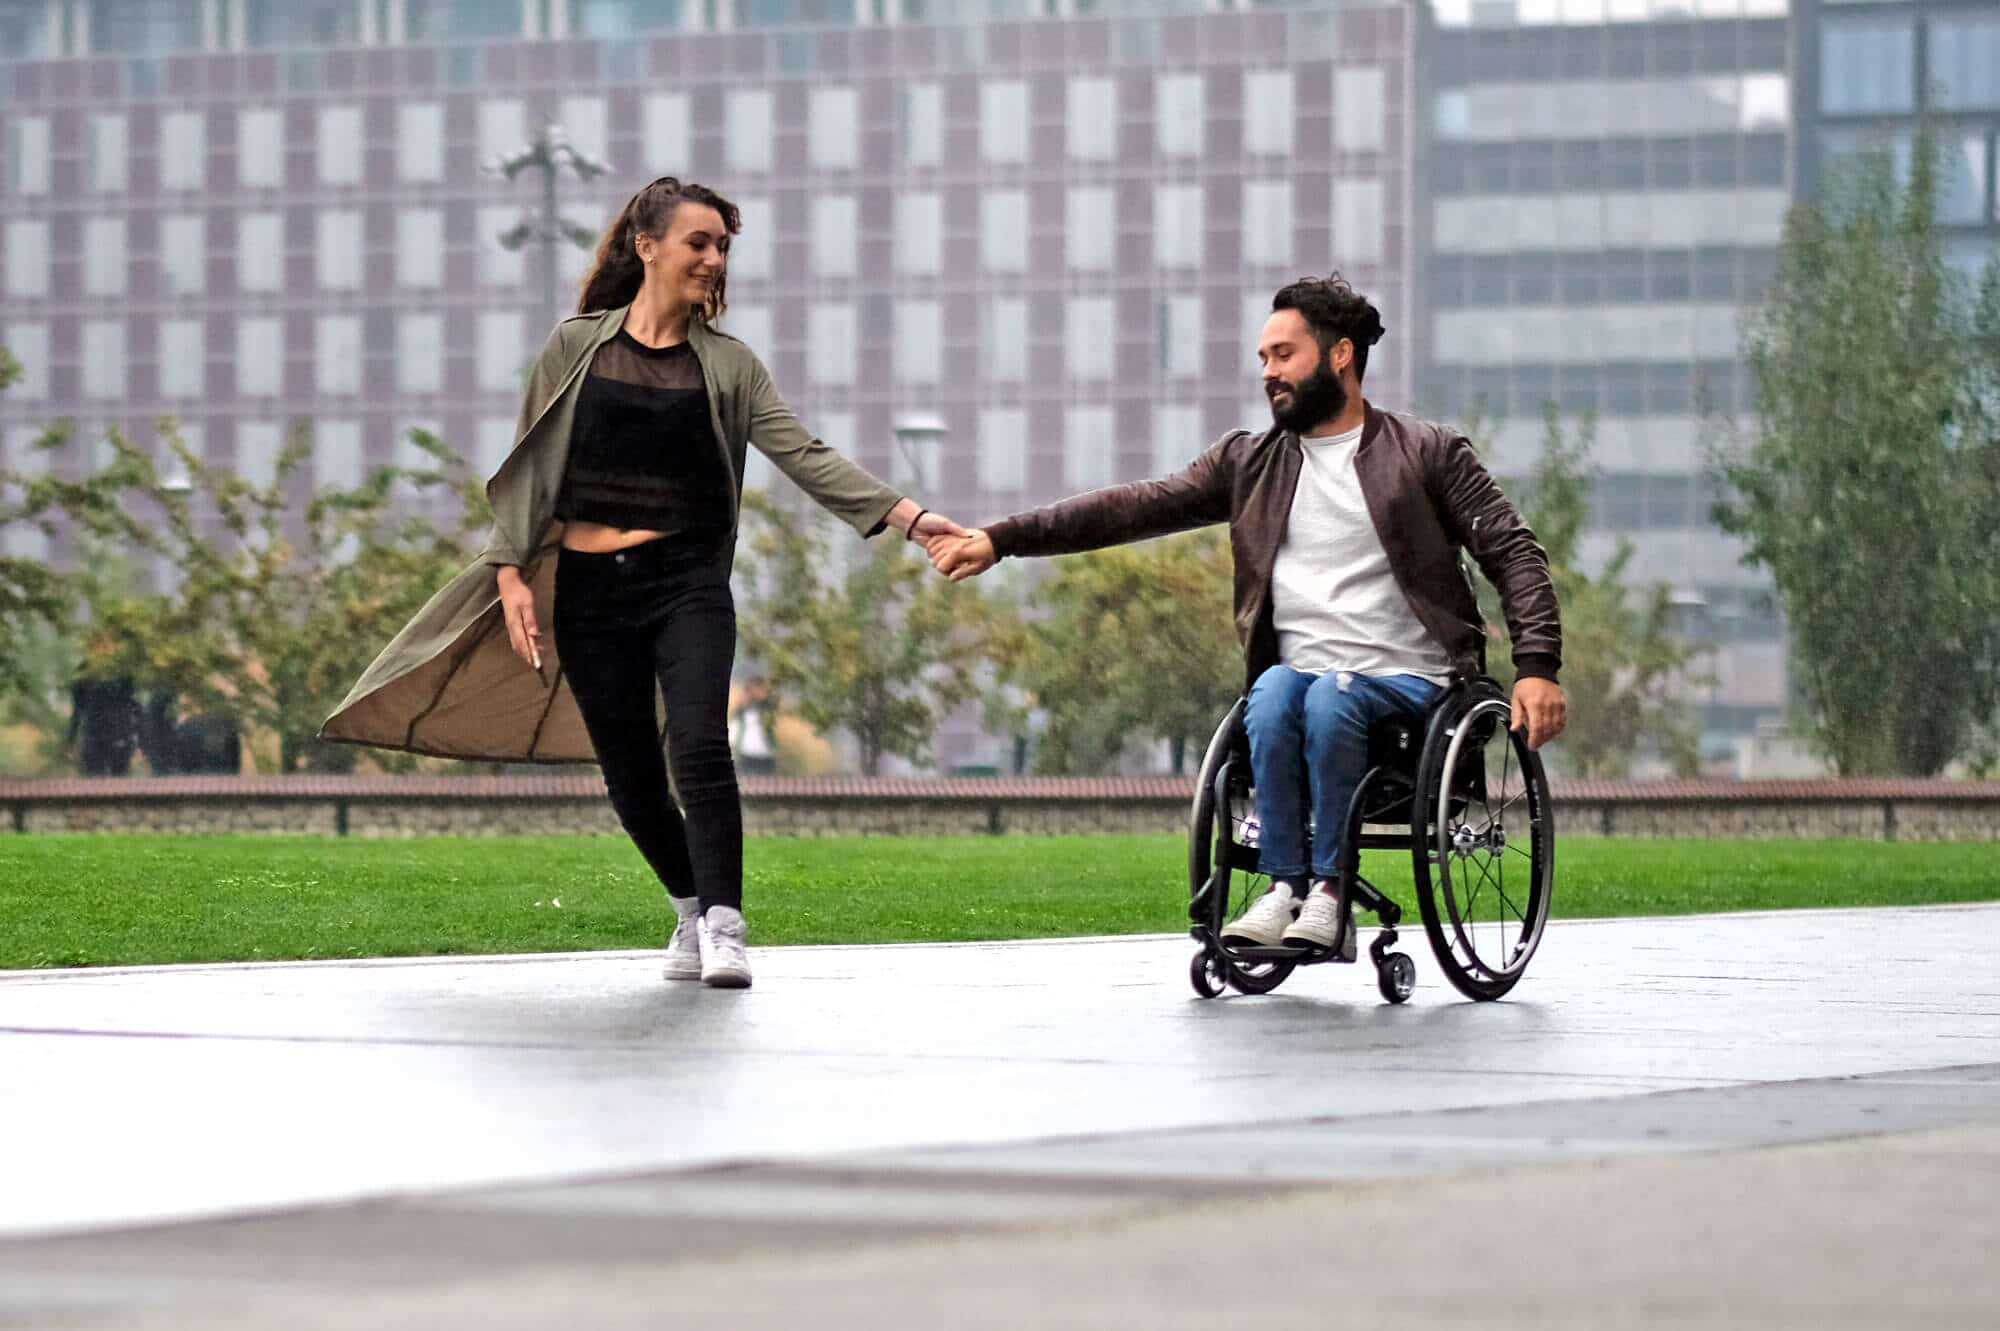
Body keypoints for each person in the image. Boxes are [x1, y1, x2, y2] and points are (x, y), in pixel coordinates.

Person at [322, 177, 966, 988]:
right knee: (628, 771)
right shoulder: (575, 346)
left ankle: (727, 925)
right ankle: (690, 906)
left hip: (685, 580)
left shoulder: (729, 366)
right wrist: (509, 568)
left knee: (699, 743)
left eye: (723, 246)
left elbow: (805, 453)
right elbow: (530, 463)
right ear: (648, 245)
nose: (713, 258)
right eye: (699, 242)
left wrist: (911, 517)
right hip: (591, 590)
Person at [931, 274, 1566, 958]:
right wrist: (1002, 538)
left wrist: (1536, 666)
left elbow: (1513, 551)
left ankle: (1330, 893)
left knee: (1330, 695)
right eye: (1264, 358)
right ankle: (1285, 886)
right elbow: (1133, 506)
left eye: (1283, 355)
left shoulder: (1427, 453)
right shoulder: (1250, 462)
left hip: (1414, 687)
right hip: (1304, 686)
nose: (1268, 372)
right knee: (1271, 690)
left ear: (1341, 355)